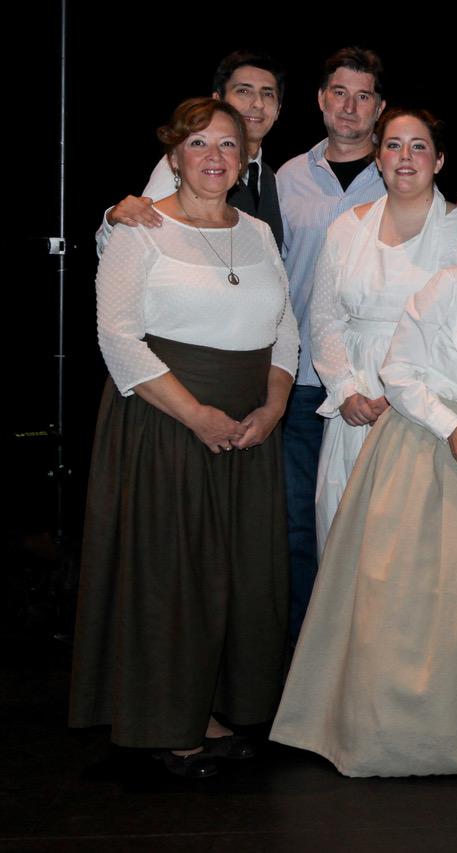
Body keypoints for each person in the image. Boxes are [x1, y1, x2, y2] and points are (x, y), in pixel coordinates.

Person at [270, 188, 457, 777]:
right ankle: (381, 733)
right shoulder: (452, 286)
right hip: (418, 443)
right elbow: (399, 369)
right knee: (398, 596)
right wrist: (451, 426)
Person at [70, 98, 299, 779]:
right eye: (198, 143)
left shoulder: (257, 233)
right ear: (173, 155)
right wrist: (195, 414)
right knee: (174, 576)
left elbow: (284, 328)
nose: (213, 156)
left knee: (235, 576)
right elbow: (117, 337)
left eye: (228, 146)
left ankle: (214, 706)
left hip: (248, 426)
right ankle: (171, 725)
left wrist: (276, 403)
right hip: (167, 423)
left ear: (244, 159)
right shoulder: (139, 231)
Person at [310, 107, 457, 552]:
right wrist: (346, 391)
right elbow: (324, 318)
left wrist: (409, 397)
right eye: (393, 145)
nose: (405, 157)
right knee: (345, 534)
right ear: (378, 157)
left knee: (411, 544)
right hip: (357, 402)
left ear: (440, 160)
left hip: (430, 406)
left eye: (419, 146)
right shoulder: (345, 228)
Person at [275, 47, 388, 641]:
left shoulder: (400, 177)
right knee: (297, 530)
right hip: (296, 384)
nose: (350, 106)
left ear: (380, 108)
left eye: (363, 95)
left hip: (370, 393)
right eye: (339, 93)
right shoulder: (286, 178)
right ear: (321, 99)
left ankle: (359, 662)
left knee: (364, 530)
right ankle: (300, 671)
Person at [95, 50, 287, 253]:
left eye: (268, 94)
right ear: (217, 99)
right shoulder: (189, 167)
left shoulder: (270, 178)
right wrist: (113, 221)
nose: (257, 103)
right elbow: (131, 239)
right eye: (244, 91)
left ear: (278, 111)